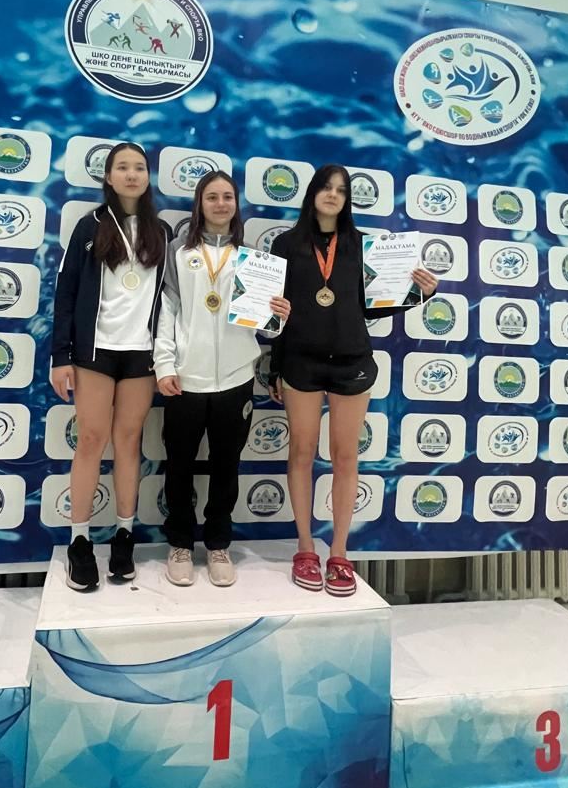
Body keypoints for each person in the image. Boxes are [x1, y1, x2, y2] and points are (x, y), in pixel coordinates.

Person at [269, 165, 438, 596]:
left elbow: (373, 307)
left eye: (341, 190)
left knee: (346, 458)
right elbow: (276, 314)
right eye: (326, 188)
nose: (332, 195)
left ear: (347, 200)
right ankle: (305, 548)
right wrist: (274, 368)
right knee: (301, 453)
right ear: (312, 193)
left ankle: (340, 553)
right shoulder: (286, 244)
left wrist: (419, 294)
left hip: (351, 363)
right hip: (301, 362)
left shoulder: (364, 247)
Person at [154, 172, 290, 587]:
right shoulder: (178, 252)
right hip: (186, 378)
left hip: (235, 378)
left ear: (236, 204)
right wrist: (165, 365)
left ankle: (217, 544)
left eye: (227, 196)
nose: (220, 203)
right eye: (211, 197)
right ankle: (180, 543)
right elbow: (167, 311)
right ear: (199, 203)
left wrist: (279, 317)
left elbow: (265, 329)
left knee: (226, 465)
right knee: (178, 465)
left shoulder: (252, 260)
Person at [50, 142, 170, 591]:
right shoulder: (90, 226)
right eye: (123, 167)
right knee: (90, 440)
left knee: (128, 443)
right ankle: (79, 541)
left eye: (139, 167)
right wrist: (61, 356)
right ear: (109, 176)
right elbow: (65, 292)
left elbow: (171, 298)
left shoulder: (162, 231)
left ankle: (124, 535)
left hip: (141, 353)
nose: (132, 174)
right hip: (95, 351)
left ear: (147, 176)